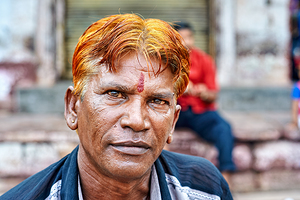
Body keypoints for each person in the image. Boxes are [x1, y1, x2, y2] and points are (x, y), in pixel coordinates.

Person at [1, 14, 233, 200]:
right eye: (115, 94)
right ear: (73, 108)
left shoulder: (206, 190)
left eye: (157, 101)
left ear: (173, 122)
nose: (136, 121)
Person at [174, 22, 236, 179]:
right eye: (181, 38)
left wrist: (203, 92)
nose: (186, 42)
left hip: (199, 112)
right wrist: (180, 86)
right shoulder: (167, 61)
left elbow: (213, 95)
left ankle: (226, 179)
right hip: (174, 111)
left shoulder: (205, 60)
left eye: (189, 37)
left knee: (224, 128)